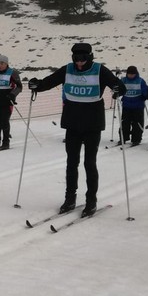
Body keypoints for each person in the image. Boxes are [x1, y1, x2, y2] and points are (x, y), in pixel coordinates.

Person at [28, 42, 122, 216]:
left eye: (83, 60)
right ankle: (70, 198)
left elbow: (117, 85)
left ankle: (91, 200)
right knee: (72, 162)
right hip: (72, 122)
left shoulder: (99, 70)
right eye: (76, 60)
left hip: (92, 123)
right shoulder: (67, 69)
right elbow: (50, 81)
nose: (79, 63)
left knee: (89, 163)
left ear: (89, 57)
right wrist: (37, 85)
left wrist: (118, 89)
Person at [119, 66, 148, 147]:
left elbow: (145, 90)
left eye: (132, 74)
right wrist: (116, 93)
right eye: (129, 74)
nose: (130, 75)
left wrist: (146, 96)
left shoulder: (140, 81)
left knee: (137, 123)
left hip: (138, 106)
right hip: (126, 105)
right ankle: (123, 138)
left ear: (136, 73)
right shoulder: (123, 80)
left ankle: (136, 139)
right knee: (125, 122)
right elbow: (120, 89)